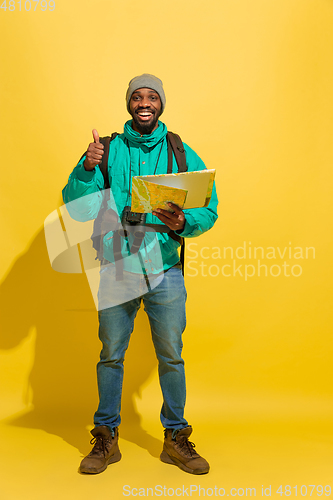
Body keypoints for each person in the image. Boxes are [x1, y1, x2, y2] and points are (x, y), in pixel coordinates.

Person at [62, 74, 218, 475]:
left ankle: (176, 437)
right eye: (137, 97)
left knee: (171, 357)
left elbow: (209, 209)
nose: (144, 103)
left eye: (152, 97)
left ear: (161, 103)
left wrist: (183, 219)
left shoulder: (181, 152)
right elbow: (78, 209)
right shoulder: (106, 150)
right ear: (128, 104)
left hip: (165, 268)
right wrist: (85, 168)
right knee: (111, 355)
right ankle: (105, 437)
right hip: (117, 268)